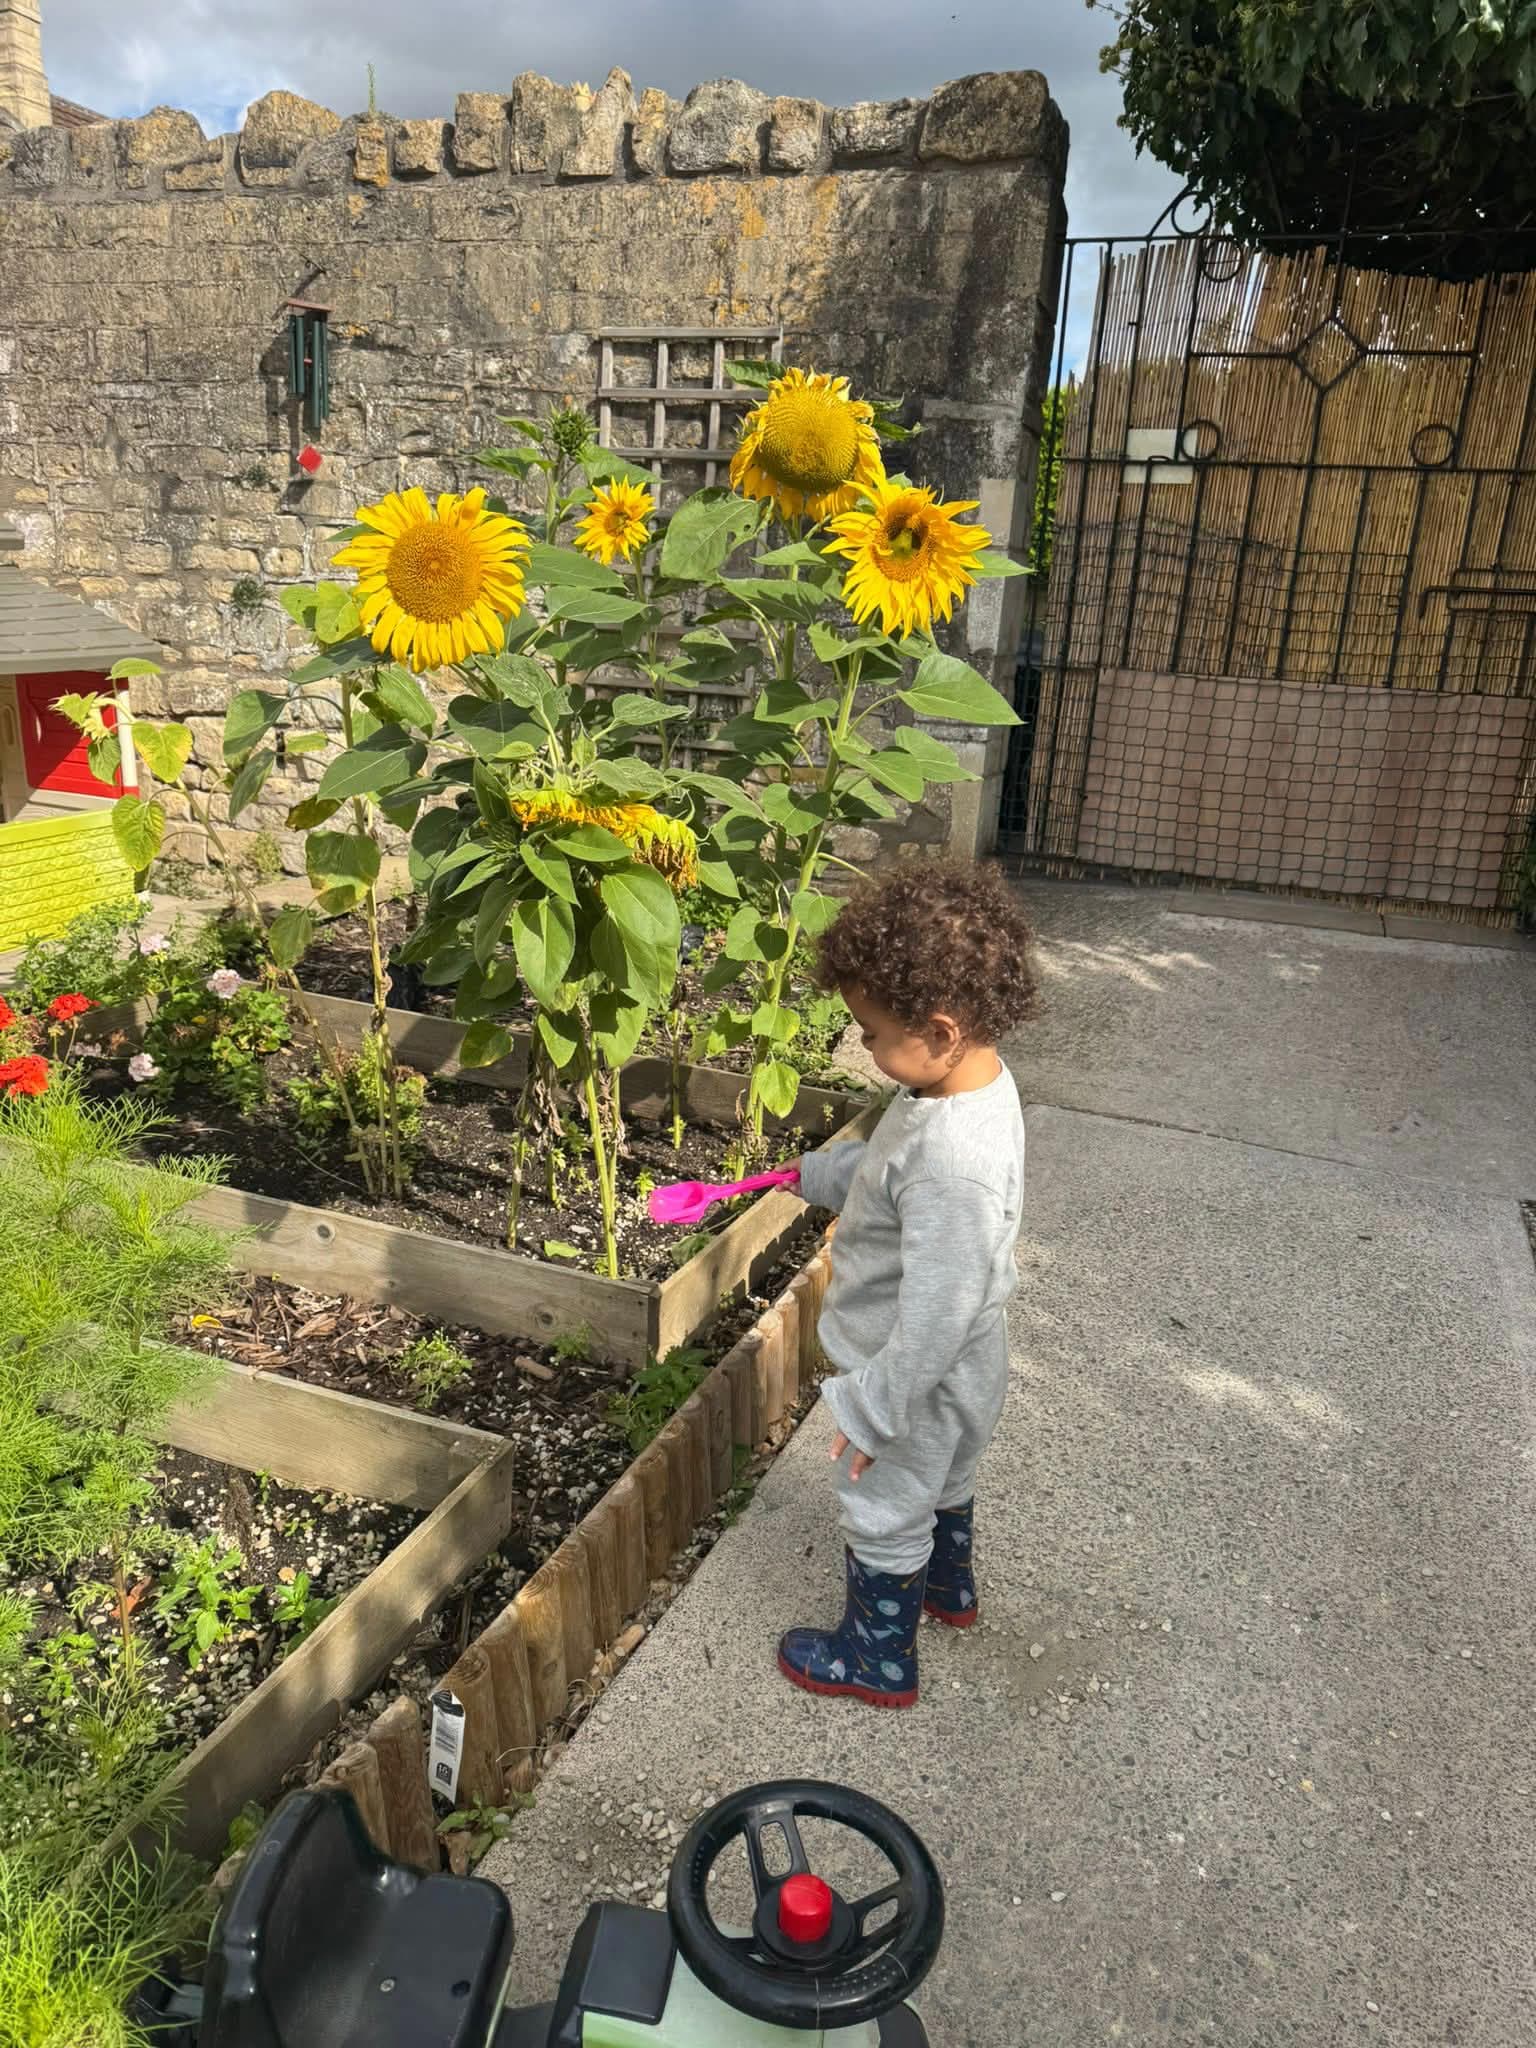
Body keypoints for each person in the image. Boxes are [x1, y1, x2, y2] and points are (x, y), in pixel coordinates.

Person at [779, 861, 1038, 1709]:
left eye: (870, 1029)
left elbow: (940, 1306)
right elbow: (894, 1172)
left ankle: (877, 1658)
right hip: (960, 1375)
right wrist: (820, 1172)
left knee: (885, 1508)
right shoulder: (965, 1091)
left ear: (938, 1028)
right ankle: (945, 1591)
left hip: (915, 1375)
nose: (862, 1044)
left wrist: (875, 1409)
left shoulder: (954, 1163)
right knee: (944, 1481)